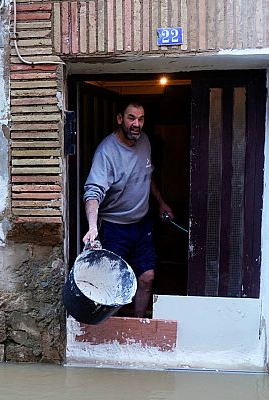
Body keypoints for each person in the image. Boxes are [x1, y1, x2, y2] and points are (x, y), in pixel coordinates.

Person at [82, 101, 173, 318]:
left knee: (147, 277)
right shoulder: (107, 152)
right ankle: (110, 328)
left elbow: (146, 175)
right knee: (112, 283)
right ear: (120, 119)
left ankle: (139, 324)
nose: (137, 124)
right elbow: (93, 193)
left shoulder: (145, 142)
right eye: (131, 118)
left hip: (141, 224)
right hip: (114, 227)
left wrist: (160, 202)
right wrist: (92, 227)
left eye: (141, 119)